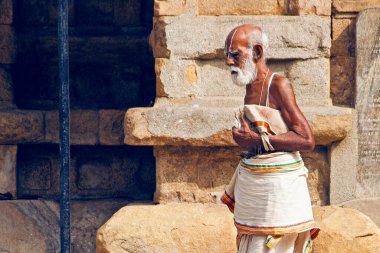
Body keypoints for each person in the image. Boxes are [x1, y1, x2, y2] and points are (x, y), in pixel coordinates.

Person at [221, 24, 320, 253]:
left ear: (256, 52)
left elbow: (307, 139)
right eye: (227, 55)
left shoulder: (279, 85)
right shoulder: (249, 85)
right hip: (255, 187)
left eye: (235, 55)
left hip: (278, 192)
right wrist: (246, 140)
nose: (228, 62)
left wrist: (256, 141)